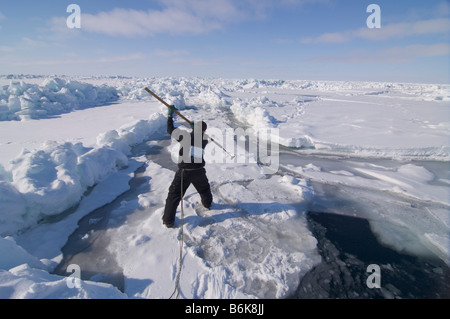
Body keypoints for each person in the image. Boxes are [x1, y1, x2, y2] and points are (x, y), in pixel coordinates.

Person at [162, 105, 213, 228]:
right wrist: (195, 130)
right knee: (204, 189)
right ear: (204, 131)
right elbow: (198, 137)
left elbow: (170, 129)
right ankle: (207, 204)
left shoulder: (185, 136)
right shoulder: (204, 139)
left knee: (174, 195)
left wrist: (170, 116)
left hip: (184, 172)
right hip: (199, 171)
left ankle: (168, 221)